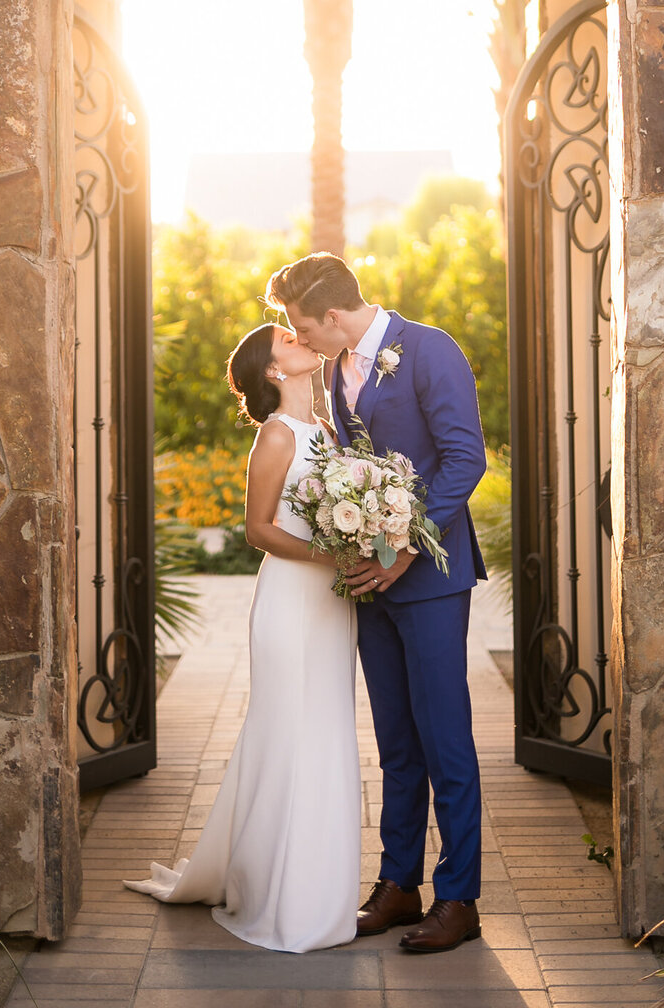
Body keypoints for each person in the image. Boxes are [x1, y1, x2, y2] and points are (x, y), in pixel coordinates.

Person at [266, 251, 487, 956]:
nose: (301, 340)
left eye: (303, 327)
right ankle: (400, 883)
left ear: (333, 316)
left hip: (427, 580)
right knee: (395, 741)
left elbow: (465, 458)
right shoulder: (333, 370)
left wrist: (408, 544)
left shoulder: (429, 350)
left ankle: (460, 898)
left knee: (444, 737)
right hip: (369, 584)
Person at [124, 320, 361, 952]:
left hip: (334, 605)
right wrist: (332, 557)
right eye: (287, 338)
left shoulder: (332, 433)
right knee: (287, 729)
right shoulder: (277, 437)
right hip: (291, 599)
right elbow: (257, 530)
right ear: (273, 371)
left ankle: (318, 887)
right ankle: (279, 894)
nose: (301, 338)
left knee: (328, 727)